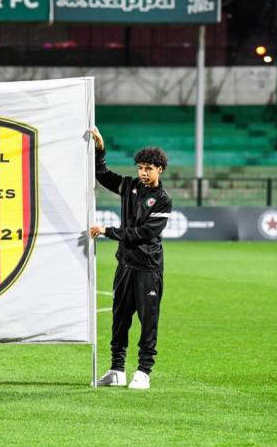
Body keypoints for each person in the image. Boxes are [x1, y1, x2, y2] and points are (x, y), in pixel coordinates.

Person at [88, 127, 172, 390]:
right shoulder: (130, 187)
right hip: (124, 266)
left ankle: (144, 372)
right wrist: (100, 149)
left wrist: (108, 231)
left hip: (148, 268)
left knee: (148, 321)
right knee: (119, 318)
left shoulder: (163, 201)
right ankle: (116, 369)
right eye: (140, 168)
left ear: (160, 169)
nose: (143, 173)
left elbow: (145, 234)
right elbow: (102, 175)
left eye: (148, 168)